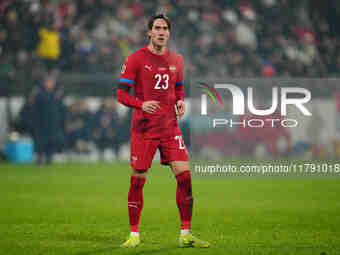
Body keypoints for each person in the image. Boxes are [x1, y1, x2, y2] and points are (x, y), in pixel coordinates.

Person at [116, 14, 209, 248]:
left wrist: (180, 101)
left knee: (185, 178)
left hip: (169, 127)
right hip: (144, 129)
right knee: (138, 181)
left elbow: (178, 88)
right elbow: (121, 94)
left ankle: (186, 234)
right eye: (157, 28)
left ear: (169, 32)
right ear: (149, 32)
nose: (161, 32)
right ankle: (134, 234)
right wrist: (141, 104)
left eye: (165, 28)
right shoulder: (136, 59)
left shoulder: (177, 60)